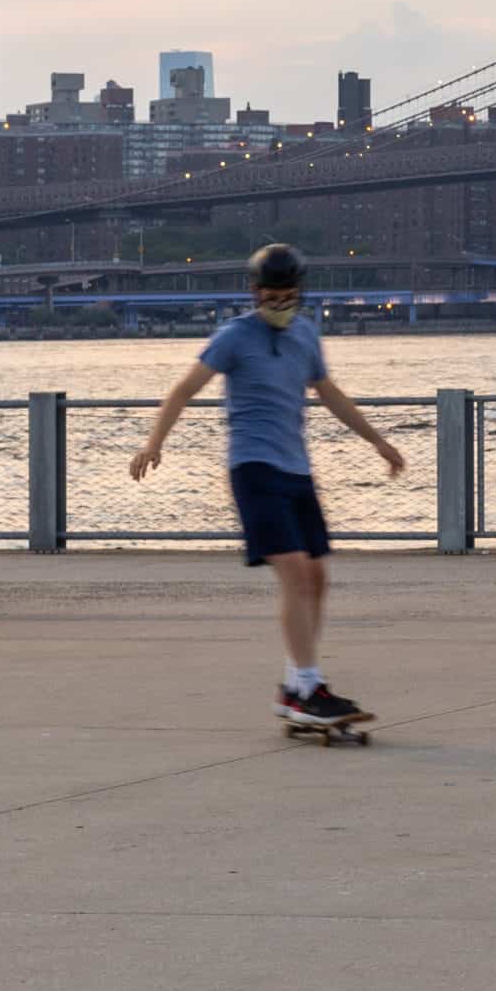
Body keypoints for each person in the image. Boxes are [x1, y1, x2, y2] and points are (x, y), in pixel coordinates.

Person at [129, 242, 405, 728]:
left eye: (289, 295)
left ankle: (296, 686)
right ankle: (307, 687)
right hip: (253, 469)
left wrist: (378, 442)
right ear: (255, 292)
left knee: (317, 578)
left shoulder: (306, 334)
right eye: (271, 296)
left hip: (297, 471)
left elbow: (329, 392)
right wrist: (154, 444)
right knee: (295, 573)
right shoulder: (234, 336)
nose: (280, 304)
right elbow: (184, 389)